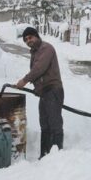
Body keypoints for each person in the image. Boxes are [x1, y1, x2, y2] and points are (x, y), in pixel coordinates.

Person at [16, 27, 64, 159]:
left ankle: (57, 157)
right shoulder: (35, 52)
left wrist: (25, 80)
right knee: (45, 124)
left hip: (53, 90)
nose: (28, 41)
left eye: (30, 37)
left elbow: (39, 68)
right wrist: (38, 88)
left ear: (36, 36)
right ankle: (44, 156)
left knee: (54, 124)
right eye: (25, 39)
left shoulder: (46, 48)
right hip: (45, 93)